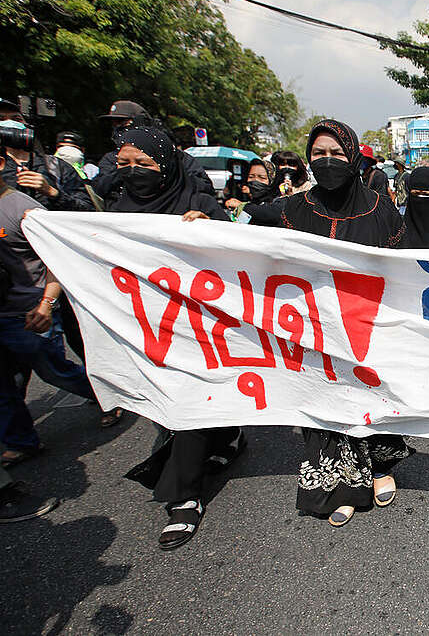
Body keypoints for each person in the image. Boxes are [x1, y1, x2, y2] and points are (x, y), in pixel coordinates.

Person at [111, 127, 245, 550]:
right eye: (123, 164)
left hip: (199, 324)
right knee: (163, 401)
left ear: (165, 164)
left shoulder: (198, 202)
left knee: (190, 401)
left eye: (143, 163)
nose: (133, 172)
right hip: (145, 324)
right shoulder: (114, 211)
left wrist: (210, 230)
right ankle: (227, 437)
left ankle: (183, 497)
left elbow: (239, 255)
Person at [278, 119, 412, 528]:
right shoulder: (292, 210)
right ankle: (341, 484)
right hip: (313, 326)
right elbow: (243, 238)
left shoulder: (378, 207)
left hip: (366, 322)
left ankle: (380, 465)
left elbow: (404, 266)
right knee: (326, 403)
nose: (328, 161)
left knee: (369, 394)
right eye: (319, 154)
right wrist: (196, 223)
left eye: (337, 153)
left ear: (352, 156)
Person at [1, 150, 108, 467]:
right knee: (4, 385)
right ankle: (21, 440)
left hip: (29, 311)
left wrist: (47, 302)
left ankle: (109, 394)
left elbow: (56, 258)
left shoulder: (24, 209)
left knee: (54, 371)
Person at [91, 100, 214, 200]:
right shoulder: (111, 159)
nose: (117, 128)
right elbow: (100, 189)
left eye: (122, 122)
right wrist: (125, 171)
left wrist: (170, 176)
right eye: (113, 124)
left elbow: (205, 188)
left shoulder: (176, 157)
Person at [0, 99, 94, 213]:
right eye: (1, 119)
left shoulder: (56, 166)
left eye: (16, 119)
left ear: (27, 125)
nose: (9, 123)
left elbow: (87, 211)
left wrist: (52, 193)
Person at [225, 158, 282, 225]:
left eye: (262, 178)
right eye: (251, 177)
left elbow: (270, 214)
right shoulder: (251, 200)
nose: (255, 181)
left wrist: (242, 206)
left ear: (273, 181)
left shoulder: (280, 201)